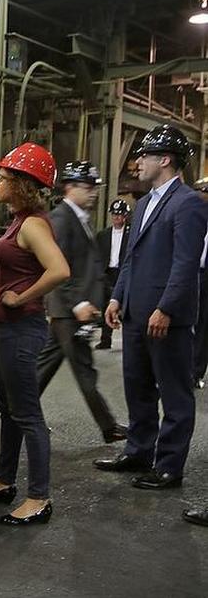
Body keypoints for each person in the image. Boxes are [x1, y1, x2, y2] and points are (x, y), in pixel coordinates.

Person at [0, 143, 68, 526]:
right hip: (7, 329)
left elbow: (59, 270)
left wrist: (21, 295)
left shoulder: (34, 224)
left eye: (3, 178)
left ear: (23, 184)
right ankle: (4, 479)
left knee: (26, 412)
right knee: (6, 405)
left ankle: (39, 498)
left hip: (23, 329)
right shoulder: (19, 219)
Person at [98, 125, 207, 491]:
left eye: (144, 155)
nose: (137, 162)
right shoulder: (142, 204)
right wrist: (117, 298)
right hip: (134, 314)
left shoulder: (188, 203)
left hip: (166, 318)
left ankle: (169, 466)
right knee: (138, 387)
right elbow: (131, 258)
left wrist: (167, 308)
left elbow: (186, 262)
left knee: (175, 393)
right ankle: (140, 450)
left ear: (165, 160)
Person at [35, 161, 126, 443]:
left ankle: (17, 409)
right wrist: (77, 303)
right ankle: (108, 426)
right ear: (69, 187)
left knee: (44, 366)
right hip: (69, 310)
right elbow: (56, 266)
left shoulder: (79, 217)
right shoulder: (62, 219)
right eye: (87, 187)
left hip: (70, 311)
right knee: (84, 370)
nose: (93, 193)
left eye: (94, 188)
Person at [95, 199, 131, 349]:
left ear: (125, 216)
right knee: (105, 305)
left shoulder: (131, 233)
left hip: (123, 272)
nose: (117, 217)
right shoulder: (103, 235)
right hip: (107, 272)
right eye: (114, 214)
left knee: (123, 305)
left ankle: (128, 340)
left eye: (120, 214)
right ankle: (105, 339)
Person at [192, 177, 208, 389]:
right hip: (192, 273)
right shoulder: (195, 217)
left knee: (204, 326)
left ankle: (195, 372)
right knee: (187, 323)